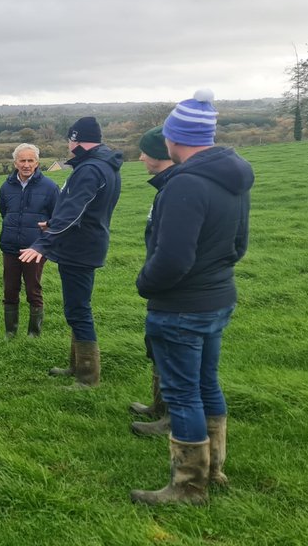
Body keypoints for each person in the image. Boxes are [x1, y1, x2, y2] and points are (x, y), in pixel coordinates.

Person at [131, 90, 253, 505]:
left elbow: (172, 259)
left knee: (183, 394)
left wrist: (145, 282)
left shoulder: (185, 184)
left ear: (174, 138)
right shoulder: (233, 175)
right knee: (206, 384)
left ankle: (188, 486)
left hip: (181, 306)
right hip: (218, 298)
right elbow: (239, 245)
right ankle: (214, 468)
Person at [19, 117, 122, 388]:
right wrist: (53, 224)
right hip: (83, 242)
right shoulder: (103, 165)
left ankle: (87, 377)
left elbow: (75, 209)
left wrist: (43, 242)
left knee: (78, 310)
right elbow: (83, 211)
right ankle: (76, 366)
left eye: (69, 140)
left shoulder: (90, 170)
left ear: (76, 140)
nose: (68, 145)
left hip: (80, 248)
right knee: (76, 307)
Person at [129, 126, 176, 437]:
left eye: (145, 151)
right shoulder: (167, 187)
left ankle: (172, 419)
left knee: (175, 352)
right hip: (165, 289)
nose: (142, 156)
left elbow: (174, 251)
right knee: (158, 345)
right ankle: (159, 406)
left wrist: (149, 279)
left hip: (176, 290)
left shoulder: (178, 189)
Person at [0, 143, 57, 339]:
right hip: (10, 247)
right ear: (15, 163)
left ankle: (34, 333)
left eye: (30, 160)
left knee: (33, 289)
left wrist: (43, 242)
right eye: (22, 160)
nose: (26, 164)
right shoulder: (6, 187)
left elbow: (56, 219)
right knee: (10, 290)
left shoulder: (49, 187)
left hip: (35, 248)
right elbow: (4, 211)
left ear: (37, 162)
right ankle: (10, 332)